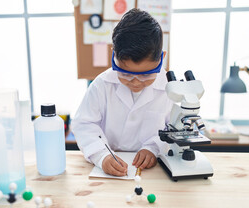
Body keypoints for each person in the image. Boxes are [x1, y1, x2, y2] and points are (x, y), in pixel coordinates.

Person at [71, 8, 173, 176]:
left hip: (152, 172)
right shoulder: (101, 85)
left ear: (162, 58)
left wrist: (153, 148)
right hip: (109, 168)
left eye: (145, 75)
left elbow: (174, 128)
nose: (135, 82)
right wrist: (101, 155)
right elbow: (84, 124)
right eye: (125, 73)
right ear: (115, 56)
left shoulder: (170, 89)